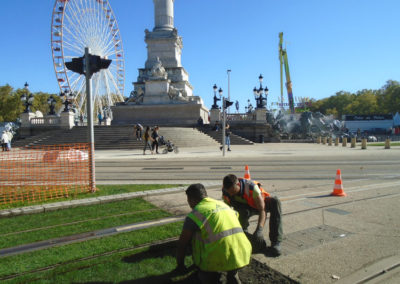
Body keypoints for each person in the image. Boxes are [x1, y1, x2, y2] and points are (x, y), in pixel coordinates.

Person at [176, 183, 251, 284]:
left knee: (205, 278)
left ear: (191, 199)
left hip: (217, 259)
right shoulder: (223, 205)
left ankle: (210, 276)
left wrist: (180, 266)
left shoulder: (195, 214)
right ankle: (232, 275)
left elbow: (182, 244)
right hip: (242, 253)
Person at [222, 174, 283, 257]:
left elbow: (262, 210)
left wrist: (259, 230)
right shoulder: (226, 192)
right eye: (229, 192)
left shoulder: (251, 188)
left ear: (238, 185)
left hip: (258, 204)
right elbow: (227, 212)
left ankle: (276, 242)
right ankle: (244, 236)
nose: (231, 194)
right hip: (244, 207)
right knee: (240, 211)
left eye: (233, 191)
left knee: (275, 202)